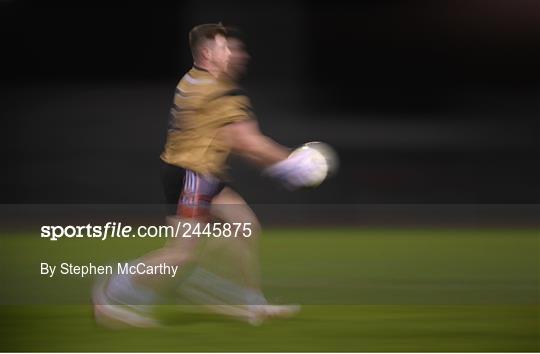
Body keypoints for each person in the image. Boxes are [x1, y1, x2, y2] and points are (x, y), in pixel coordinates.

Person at [93, 23, 323, 327]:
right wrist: (293, 161)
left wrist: (282, 164)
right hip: (193, 175)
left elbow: (238, 142)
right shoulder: (218, 92)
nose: (232, 54)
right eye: (224, 48)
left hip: (198, 172)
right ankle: (113, 290)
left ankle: (252, 303)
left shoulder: (195, 81)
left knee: (245, 227)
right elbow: (247, 142)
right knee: (180, 255)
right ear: (206, 53)